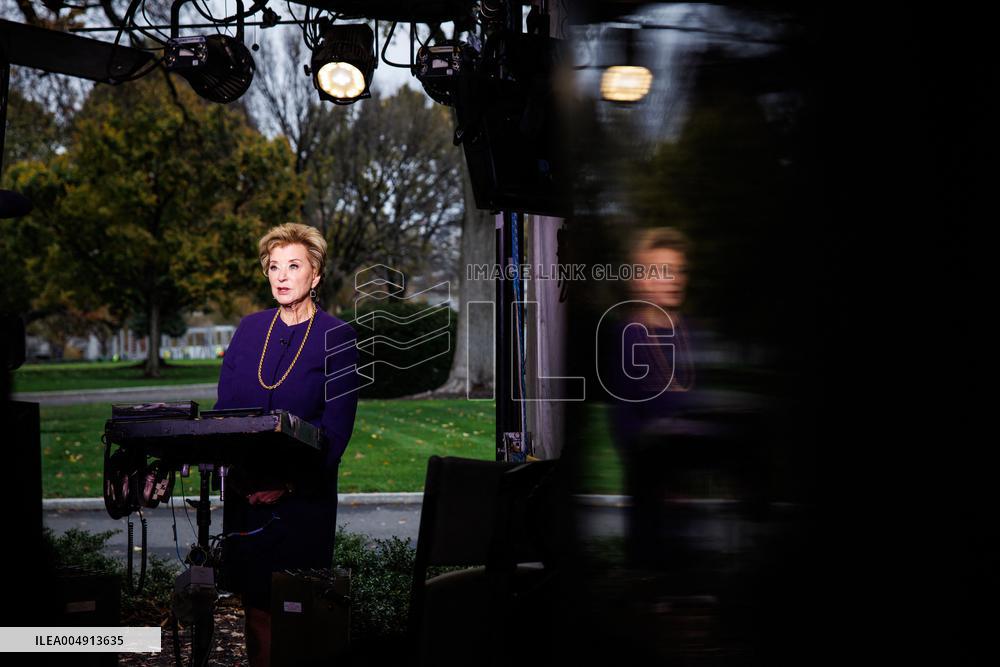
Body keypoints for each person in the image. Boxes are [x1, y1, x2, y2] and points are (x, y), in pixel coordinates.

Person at [214, 222, 360, 666]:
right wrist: (233, 474)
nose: (281, 275)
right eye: (274, 266)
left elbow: (336, 432)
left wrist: (288, 486)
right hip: (246, 498)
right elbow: (224, 412)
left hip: (302, 502)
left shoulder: (338, 336)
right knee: (255, 609)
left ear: (315, 275)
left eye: (293, 266)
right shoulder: (249, 328)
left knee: (295, 612)